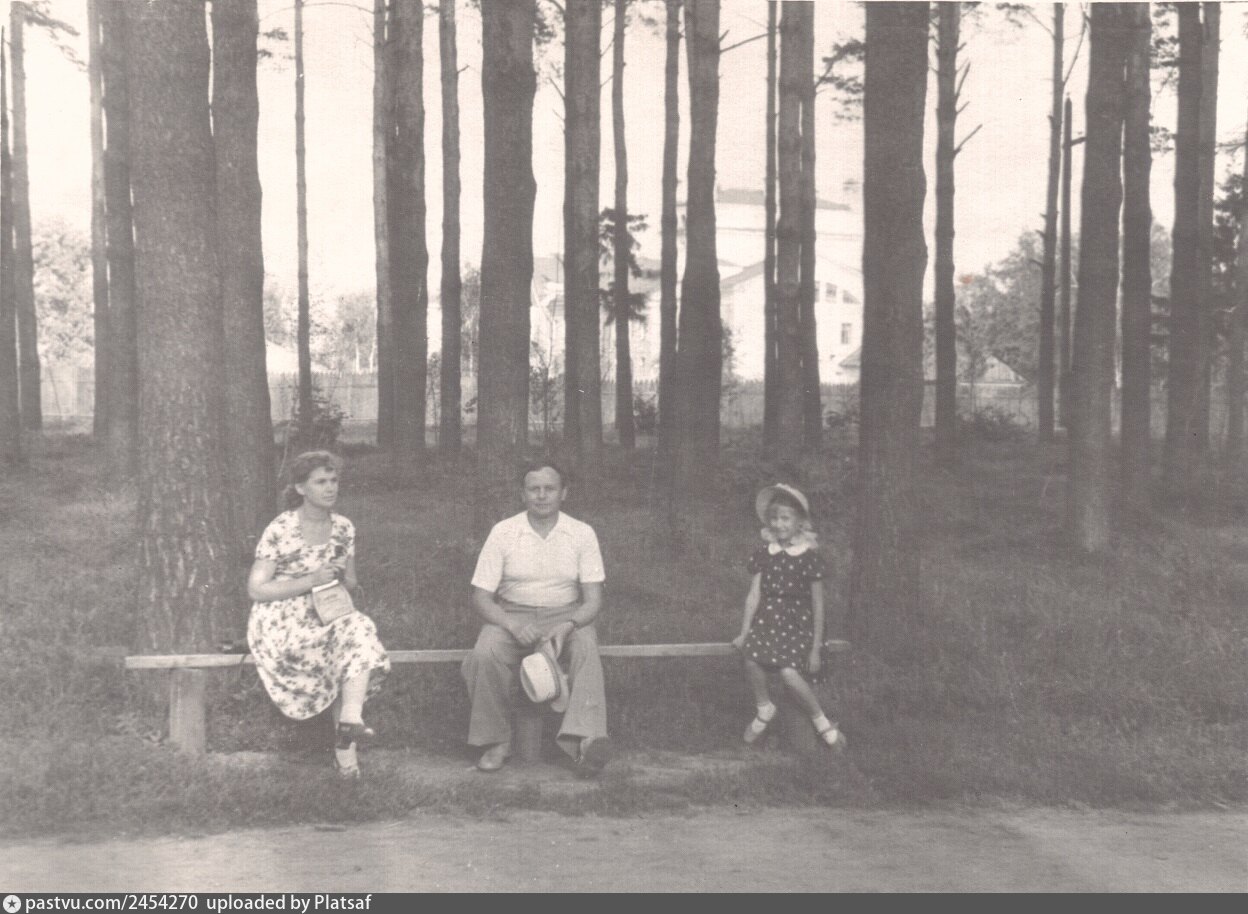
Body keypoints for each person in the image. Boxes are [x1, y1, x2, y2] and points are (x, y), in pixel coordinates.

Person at [462, 461, 613, 774]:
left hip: (567, 615)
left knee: (586, 647)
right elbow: (480, 597)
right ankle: (496, 741)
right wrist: (512, 624)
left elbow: (593, 600)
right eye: (534, 489)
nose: (542, 496)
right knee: (485, 653)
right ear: (523, 494)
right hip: (513, 614)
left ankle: (584, 742)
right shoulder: (504, 532)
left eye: (550, 489)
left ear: (563, 493)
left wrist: (568, 626)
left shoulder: (581, 533)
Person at [246, 450, 390, 778]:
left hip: (328, 610)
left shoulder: (343, 527)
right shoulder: (282, 527)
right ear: (300, 488)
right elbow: (256, 589)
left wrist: (338, 575)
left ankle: (349, 723)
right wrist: (311, 579)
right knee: (349, 646)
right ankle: (347, 755)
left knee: (359, 628)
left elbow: (350, 583)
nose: (330, 488)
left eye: (334, 480)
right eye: (320, 482)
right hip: (282, 618)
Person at [731, 483, 846, 750]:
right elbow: (754, 595)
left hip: (798, 627)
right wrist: (744, 632)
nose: (779, 524)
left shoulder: (808, 557)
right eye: (774, 518)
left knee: (789, 673)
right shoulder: (765, 553)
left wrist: (815, 648)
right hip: (768, 623)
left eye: (785, 519)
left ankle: (822, 723)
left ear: (799, 523)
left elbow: (818, 605)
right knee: (751, 659)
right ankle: (764, 708)